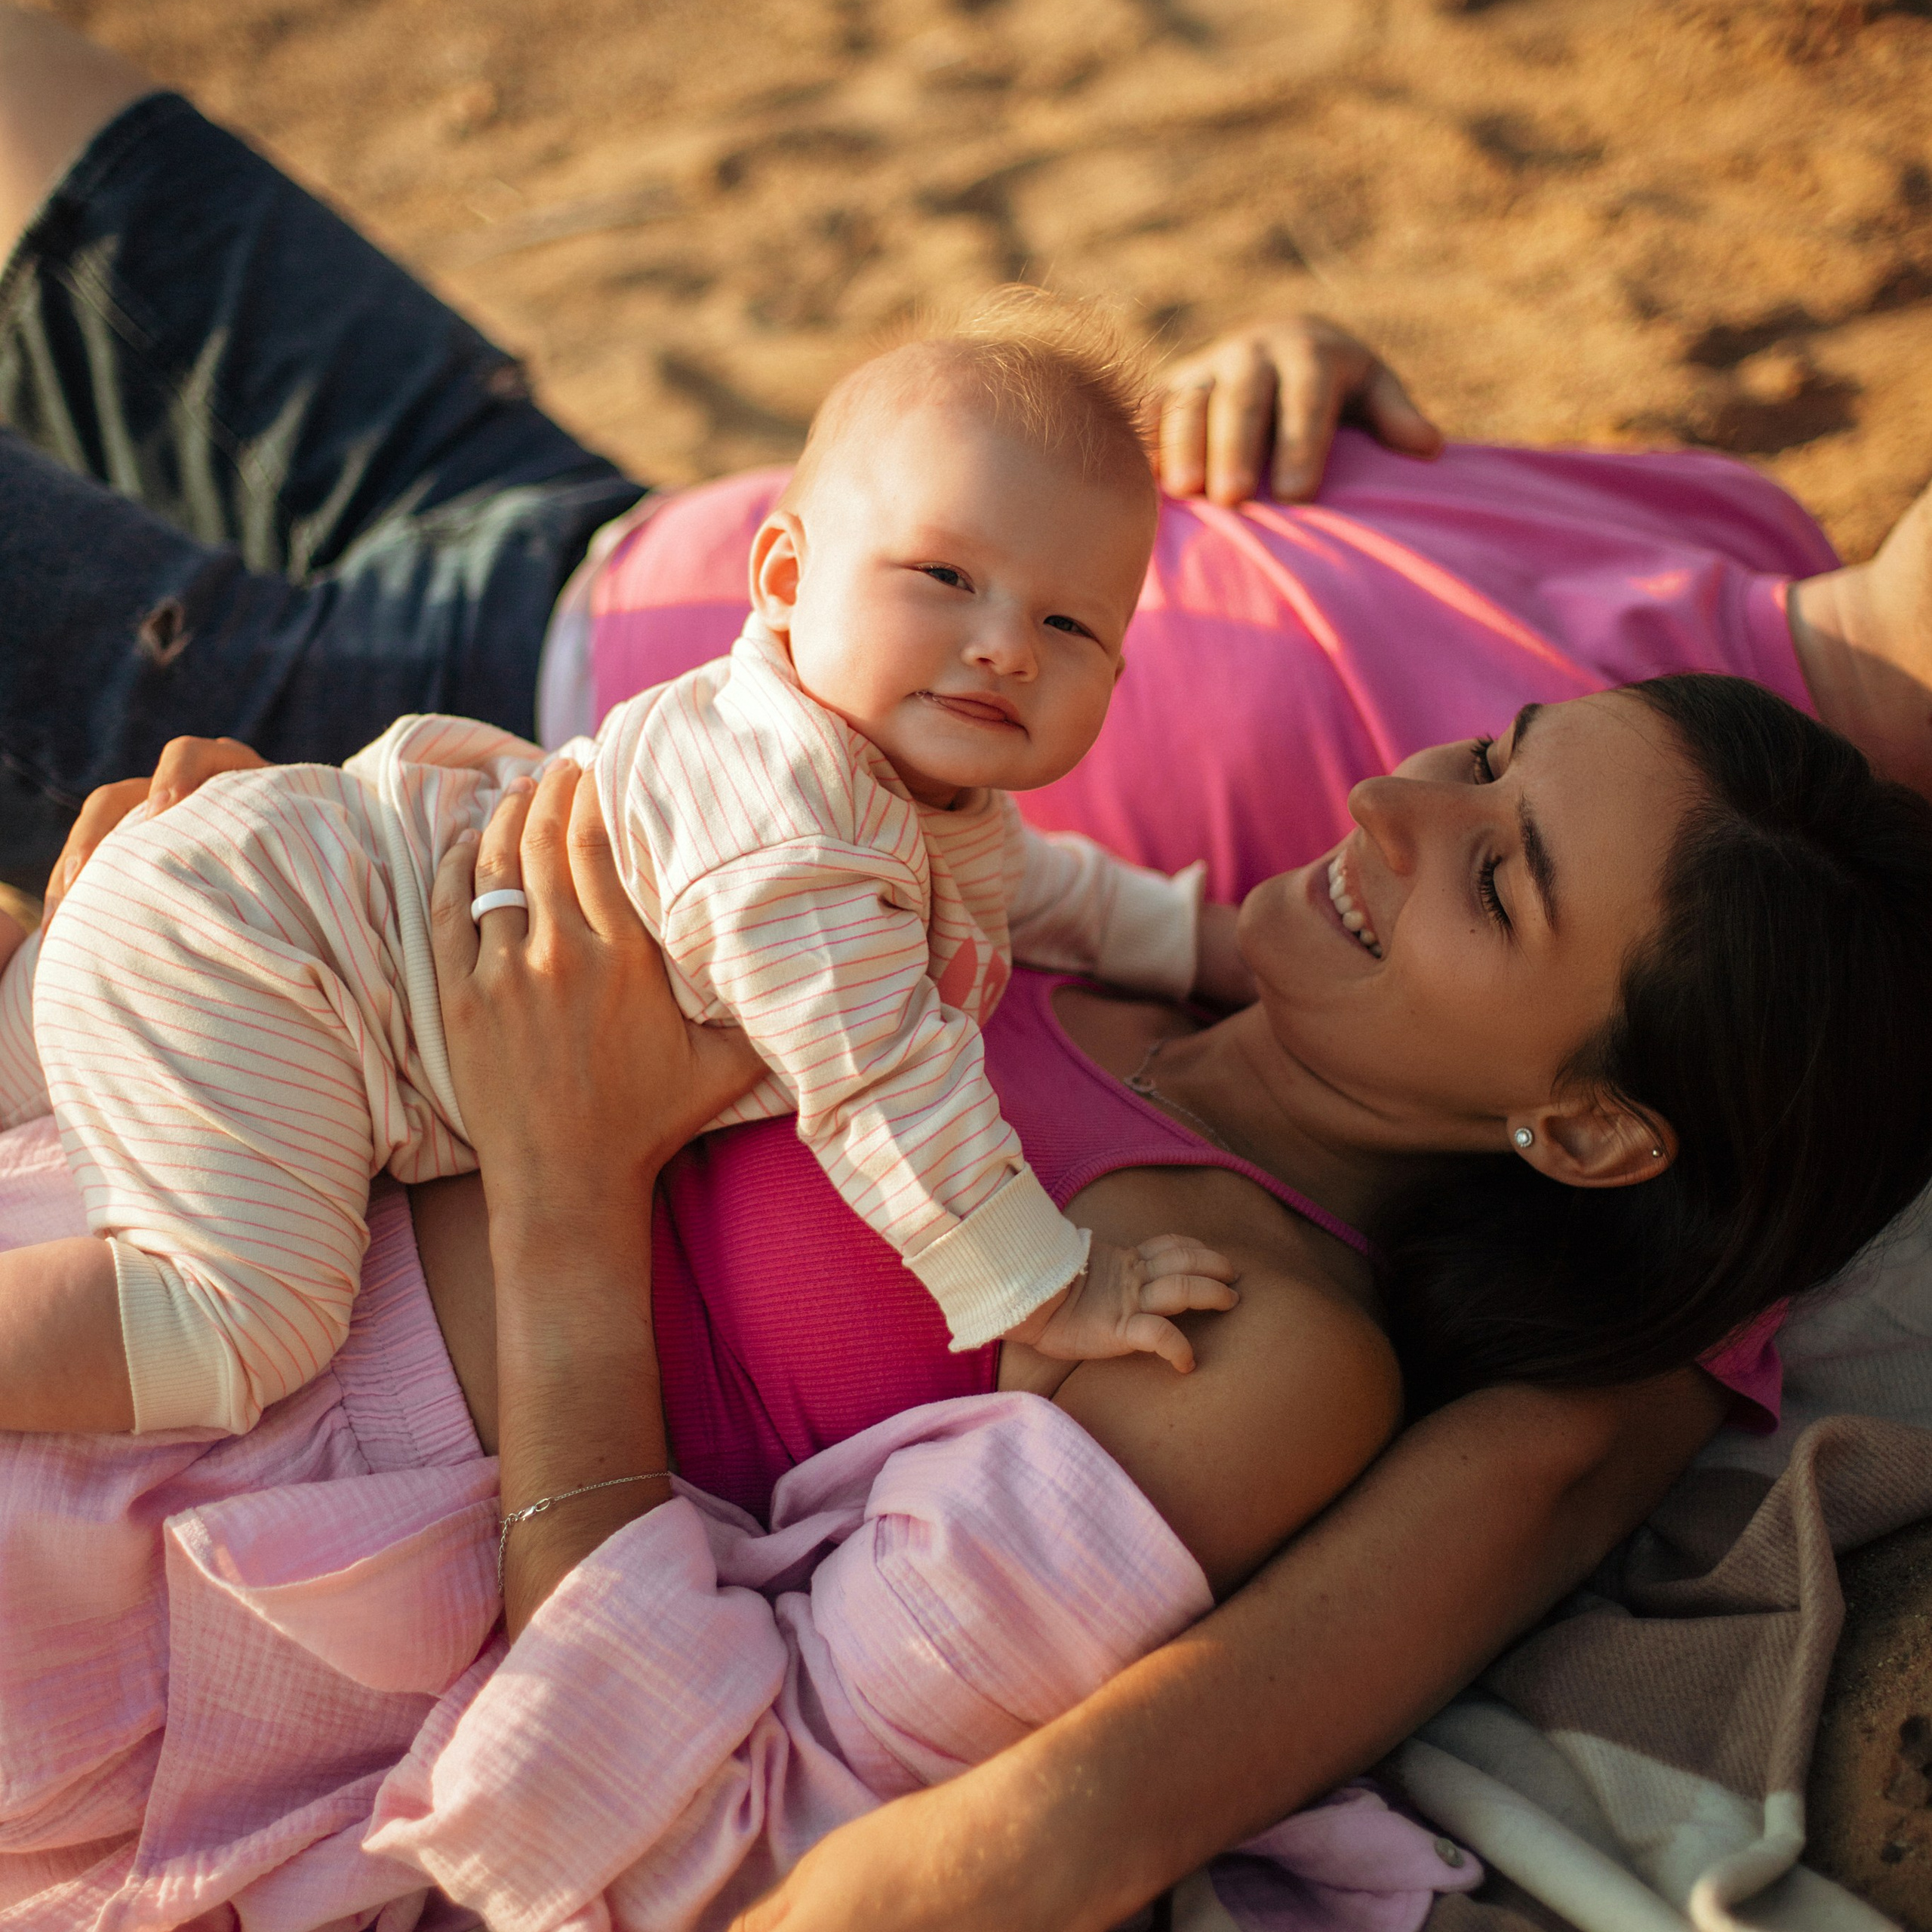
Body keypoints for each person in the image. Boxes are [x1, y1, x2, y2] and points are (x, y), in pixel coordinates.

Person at [6, 14, 1932, 1927]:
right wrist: (303, 874)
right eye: (1488, 751)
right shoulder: (1126, 968)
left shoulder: (1250, 1352)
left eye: (1498, 881)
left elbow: (700, 1824)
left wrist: (568, 1188)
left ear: (1586, 1131)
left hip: (185, 1521)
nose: (1390, 802)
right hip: (149, 1177)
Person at [0, 295, 1256, 1443]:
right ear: (786, 578)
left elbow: (1043, 891)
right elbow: (881, 1075)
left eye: (1069, 623)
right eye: (947, 577)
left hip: (258, 897)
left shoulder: (912, 794)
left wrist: (1213, 946)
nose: (1006, 647)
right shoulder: (789, 819)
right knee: (240, 1325)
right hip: (282, 965)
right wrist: (1047, 1283)